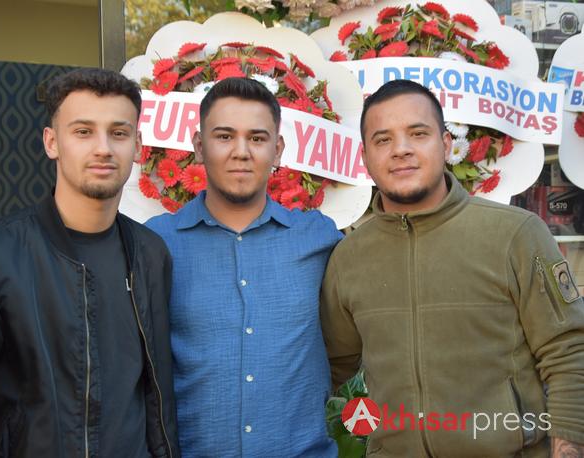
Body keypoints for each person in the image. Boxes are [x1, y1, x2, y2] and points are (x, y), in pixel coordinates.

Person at [320, 79, 584, 457]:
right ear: (364, 156)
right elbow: (329, 367)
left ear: (446, 145)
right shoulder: (349, 258)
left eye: (418, 133)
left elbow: (568, 350)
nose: (401, 149)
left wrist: (568, 448)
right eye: (383, 139)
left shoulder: (515, 234)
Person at [0, 68, 180, 458]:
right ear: (52, 142)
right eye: (83, 131)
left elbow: (156, 399)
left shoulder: (151, 254)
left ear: (138, 146)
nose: (103, 148)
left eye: (119, 133)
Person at [146, 77, 342, 457]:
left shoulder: (318, 238)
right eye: (224, 136)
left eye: (257, 138)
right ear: (198, 147)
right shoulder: (156, 244)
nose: (241, 152)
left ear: (277, 150)